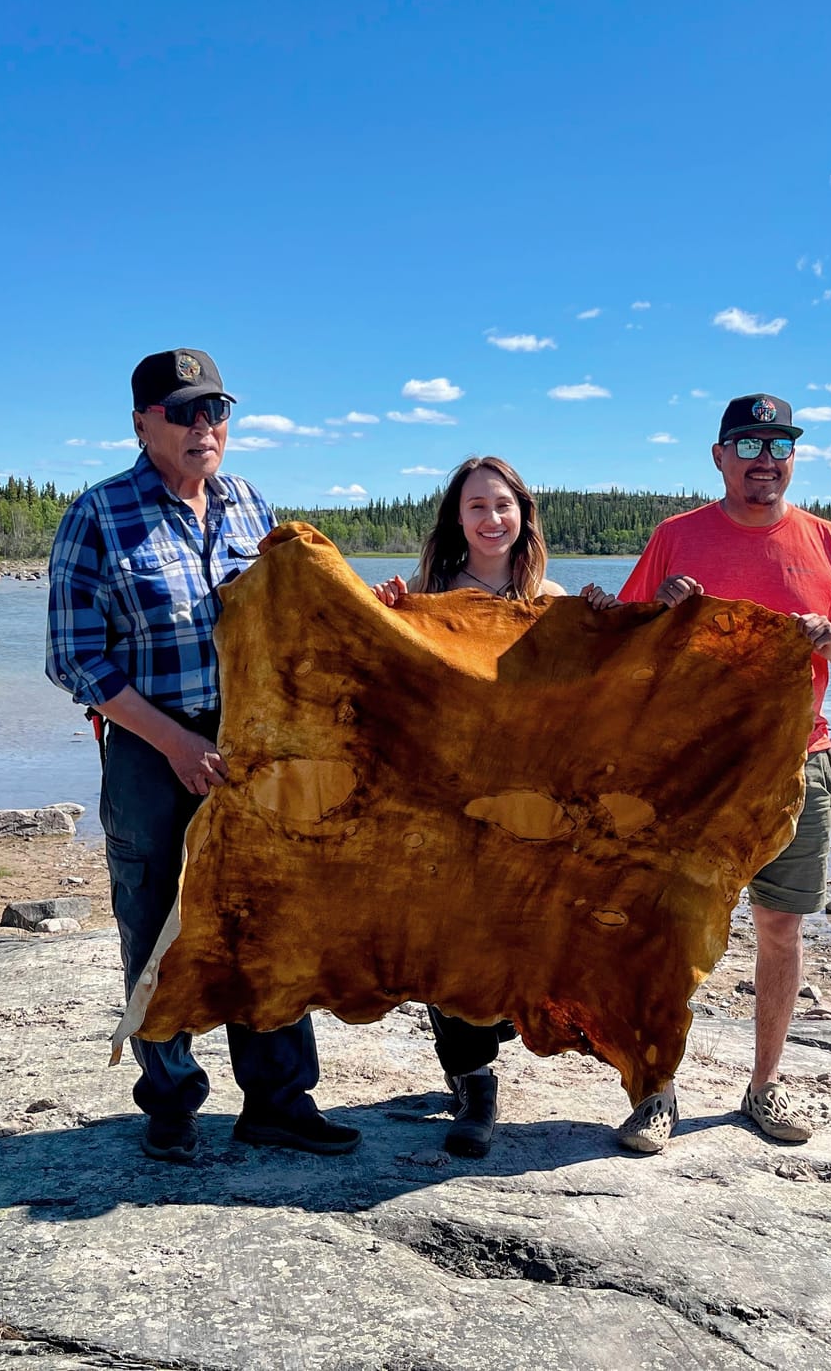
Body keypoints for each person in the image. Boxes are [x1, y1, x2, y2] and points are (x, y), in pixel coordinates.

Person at [47, 347, 362, 1165]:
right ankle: (172, 1105)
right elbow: (73, 658)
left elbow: (293, 618)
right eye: (185, 412)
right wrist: (176, 741)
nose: (204, 427)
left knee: (268, 917)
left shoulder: (250, 504)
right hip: (153, 751)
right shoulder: (99, 514)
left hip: (253, 749)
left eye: (216, 410)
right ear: (142, 422)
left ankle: (279, 1102)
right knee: (157, 927)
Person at [583, 393, 831, 1154]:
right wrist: (666, 613)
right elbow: (623, 641)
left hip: (797, 764)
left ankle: (763, 1086)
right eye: (747, 445)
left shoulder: (830, 543)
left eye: (779, 445)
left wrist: (828, 649)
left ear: (793, 457)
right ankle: (656, 1091)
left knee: (780, 928)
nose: (765, 461)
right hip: (690, 769)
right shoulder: (678, 537)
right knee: (669, 928)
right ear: (718, 457)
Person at [371, 456, 565, 1158]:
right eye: (477, 506)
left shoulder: (550, 597)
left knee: (521, 939)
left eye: (503, 506)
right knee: (444, 939)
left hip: (527, 802)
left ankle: (501, 1029)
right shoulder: (427, 593)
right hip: (443, 797)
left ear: (523, 515)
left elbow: (590, 695)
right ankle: (473, 1084)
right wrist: (383, 616)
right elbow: (386, 678)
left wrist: (606, 621)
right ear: (458, 517)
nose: (491, 519)